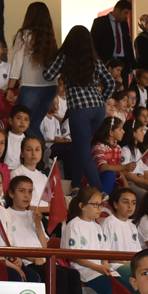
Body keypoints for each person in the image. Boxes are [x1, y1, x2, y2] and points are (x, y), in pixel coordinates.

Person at [45, 24, 117, 192]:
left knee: (83, 151)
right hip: (98, 110)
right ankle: (76, 185)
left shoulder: (65, 58)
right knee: (78, 146)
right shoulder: (95, 60)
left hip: (79, 110)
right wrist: (102, 100)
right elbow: (111, 83)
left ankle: (100, 192)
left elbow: (48, 75)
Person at [8, 1, 61, 130]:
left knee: (23, 127)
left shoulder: (24, 34)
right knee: (34, 125)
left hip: (30, 86)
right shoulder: (50, 37)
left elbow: (17, 62)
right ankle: (39, 144)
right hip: (51, 87)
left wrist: (10, 87)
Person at [91, 0, 134, 73]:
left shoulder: (124, 25)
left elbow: (127, 44)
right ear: (117, 10)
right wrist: (98, 61)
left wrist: (133, 64)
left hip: (123, 62)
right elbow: (94, 43)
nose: (127, 16)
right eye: (125, 13)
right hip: (106, 61)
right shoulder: (100, 22)